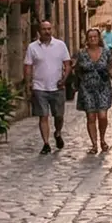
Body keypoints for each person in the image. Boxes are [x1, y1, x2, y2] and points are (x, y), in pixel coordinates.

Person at [23, 21, 72, 154]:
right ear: (39, 31)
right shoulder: (32, 47)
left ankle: (57, 132)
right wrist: (28, 83)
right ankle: (46, 143)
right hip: (39, 87)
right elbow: (28, 66)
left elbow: (67, 64)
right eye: (44, 29)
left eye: (49, 29)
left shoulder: (60, 45)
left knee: (59, 116)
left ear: (52, 29)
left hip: (57, 87)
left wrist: (64, 79)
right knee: (43, 116)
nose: (47, 31)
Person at [74, 29, 112, 155]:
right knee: (91, 116)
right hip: (87, 89)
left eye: (95, 37)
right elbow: (77, 70)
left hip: (103, 87)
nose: (93, 39)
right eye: (90, 37)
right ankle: (94, 144)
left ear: (99, 38)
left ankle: (102, 139)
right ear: (87, 39)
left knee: (103, 116)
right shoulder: (82, 54)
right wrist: (78, 83)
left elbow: (110, 68)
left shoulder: (106, 52)